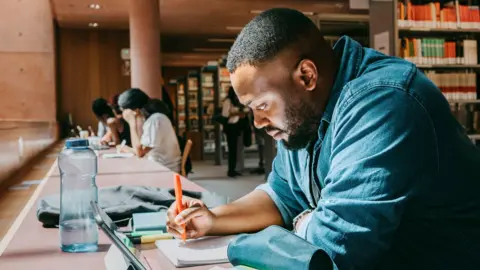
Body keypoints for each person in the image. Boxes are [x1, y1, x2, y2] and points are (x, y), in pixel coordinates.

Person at [166, 8, 480, 270]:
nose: (258, 122)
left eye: (262, 105)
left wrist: (300, 223)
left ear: (306, 76)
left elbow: (335, 248)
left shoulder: (384, 102)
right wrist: (212, 219)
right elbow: (282, 195)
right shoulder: (304, 115)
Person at [117, 88, 181, 173]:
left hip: (165, 170)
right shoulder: (153, 118)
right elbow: (140, 148)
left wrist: (131, 123)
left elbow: (139, 153)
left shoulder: (155, 120)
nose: (123, 114)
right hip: (158, 167)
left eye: (124, 110)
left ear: (135, 110)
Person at [222, 86, 249, 178]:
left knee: (237, 149)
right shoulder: (228, 101)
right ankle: (231, 170)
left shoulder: (238, 101)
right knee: (232, 149)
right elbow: (225, 114)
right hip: (231, 127)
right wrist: (238, 113)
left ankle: (235, 168)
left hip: (238, 127)